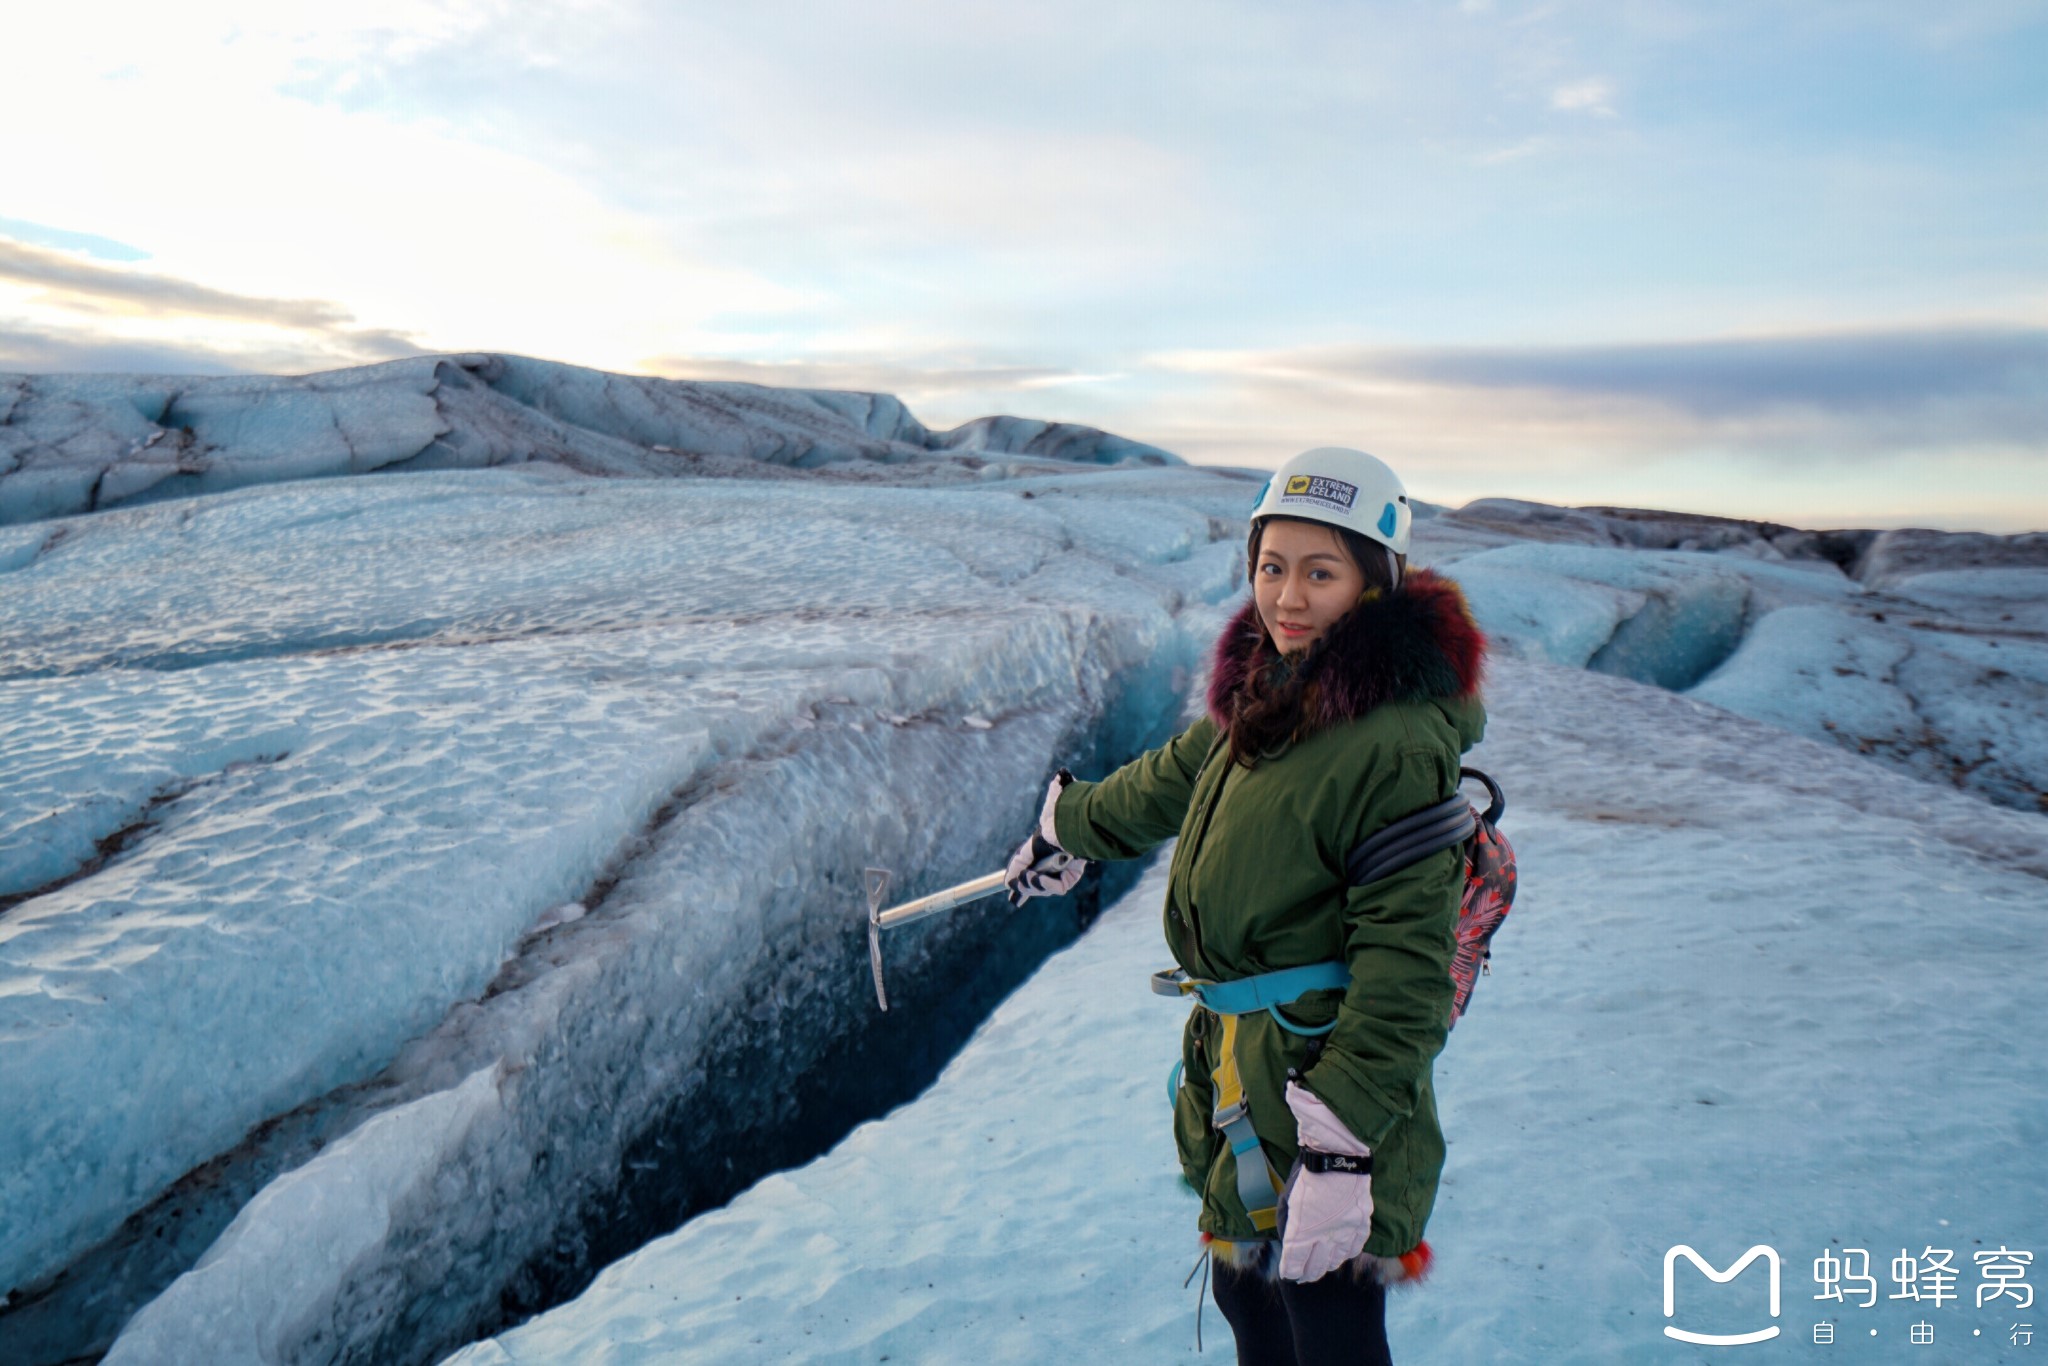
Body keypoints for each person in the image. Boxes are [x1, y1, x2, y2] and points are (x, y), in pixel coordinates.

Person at [1005, 447, 1486, 1366]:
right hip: (1244, 1076)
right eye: (1272, 568)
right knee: (1248, 1296)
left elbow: (1407, 974)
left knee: (1329, 1324)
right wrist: (1065, 824)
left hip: (1327, 1080)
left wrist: (1343, 1150)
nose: (1288, 598)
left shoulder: (1391, 741)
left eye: (1321, 571)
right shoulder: (1269, 699)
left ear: (1375, 585)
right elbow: (1163, 785)